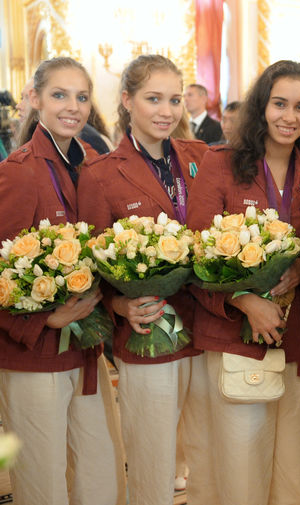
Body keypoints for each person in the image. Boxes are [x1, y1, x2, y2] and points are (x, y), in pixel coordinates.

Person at [78, 54, 215, 505]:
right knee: (152, 460)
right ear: (127, 101)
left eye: (174, 100)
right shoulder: (100, 174)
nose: (166, 111)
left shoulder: (202, 157)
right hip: (148, 332)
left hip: (209, 328)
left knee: (209, 456)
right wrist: (119, 305)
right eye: (153, 99)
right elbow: (91, 265)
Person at [186, 59, 300, 505]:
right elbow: (196, 254)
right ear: (262, 105)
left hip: (296, 336)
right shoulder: (221, 164)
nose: (290, 116)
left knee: (289, 471)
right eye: (280, 103)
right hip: (234, 336)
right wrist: (245, 300)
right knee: (241, 468)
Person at [0, 56, 122, 505]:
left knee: (99, 469)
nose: (73, 106)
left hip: (86, 347)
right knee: (43, 479)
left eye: (82, 97)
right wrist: (43, 322)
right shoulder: (18, 171)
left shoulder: (93, 164)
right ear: (34, 98)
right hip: (32, 355)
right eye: (59, 94)